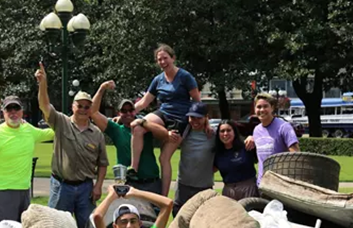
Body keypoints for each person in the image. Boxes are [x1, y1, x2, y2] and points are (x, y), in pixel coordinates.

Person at [126, 43, 210, 202]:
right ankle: (134, 168)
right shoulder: (157, 80)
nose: (162, 61)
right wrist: (126, 114)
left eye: (165, 58)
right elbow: (144, 102)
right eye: (159, 59)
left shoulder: (185, 77)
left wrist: (204, 121)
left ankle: (163, 198)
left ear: (173, 58)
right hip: (163, 114)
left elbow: (197, 101)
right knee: (137, 126)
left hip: (180, 119)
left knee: (164, 158)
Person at [37, 64, 114, 228]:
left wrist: (98, 185)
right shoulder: (61, 122)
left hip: (86, 189)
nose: (83, 110)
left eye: (87, 107)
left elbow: (102, 163)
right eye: (79, 105)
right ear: (73, 106)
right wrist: (43, 84)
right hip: (61, 186)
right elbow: (44, 105)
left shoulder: (97, 133)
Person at [0, 96, 51, 226]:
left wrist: (69, 121)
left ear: (22, 111)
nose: (13, 112)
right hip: (3, 191)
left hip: (24, 190)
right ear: (3, 112)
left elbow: (50, 133)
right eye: (9, 109)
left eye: (16, 108)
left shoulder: (28, 130)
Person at [109, 100, 170, 196]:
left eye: (131, 110)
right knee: (128, 211)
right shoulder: (116, 130)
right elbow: (94, 113)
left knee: (155, 210)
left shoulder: (144, 126)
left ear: (135, 111)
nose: (128, 113)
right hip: (129, 183)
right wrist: (102, 88)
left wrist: (143, 123)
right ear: (119, 113)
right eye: (124, 111)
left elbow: (165, 134)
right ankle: (133, 169)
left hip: (151, 182)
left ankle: (134, 167)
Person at [250, 93, 299, 177]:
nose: (262, 110)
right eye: (258, 107)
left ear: (272, 108)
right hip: (262, 183)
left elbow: (296, 155)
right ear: (255, 109)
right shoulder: (256, 130)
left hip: (279, 183)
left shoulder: (284, 127)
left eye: (265, 106)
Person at [214, 119, 259, 199]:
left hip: (249, 190)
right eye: (222, 131)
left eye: (228, 130)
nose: (225, 134)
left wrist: (253, 137)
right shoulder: (217, 153)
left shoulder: (246, 146)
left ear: (234, 132)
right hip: (228, 192)